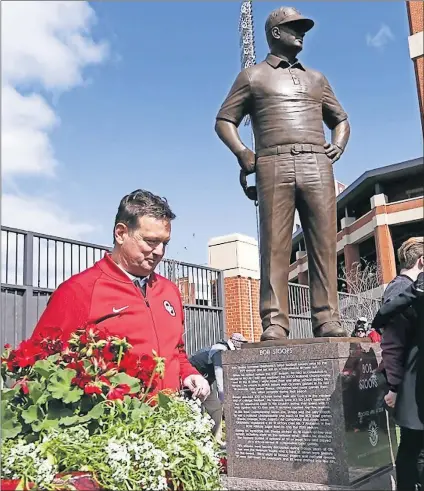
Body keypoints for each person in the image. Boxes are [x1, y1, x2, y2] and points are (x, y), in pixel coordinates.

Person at [215, 6, 350, 341]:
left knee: (323, 243)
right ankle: (274, 320)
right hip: (272, 163)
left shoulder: (316, 78)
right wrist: (243, 152)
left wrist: (338, 145)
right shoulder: (253, 76)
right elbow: (224, 120)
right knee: (274, 245)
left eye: (302, 28)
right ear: (275, 33)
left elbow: (341, 119)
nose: (301, 33)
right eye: (294, 28)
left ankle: (327, 318)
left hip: (317, 162)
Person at [31, 189, 210, 400]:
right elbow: (40, 363)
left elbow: (176, 352)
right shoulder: (78, 291)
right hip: (112, 426)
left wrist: (189, 373)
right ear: (121, 233)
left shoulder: (170, 292)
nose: (160, 251)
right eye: (151, 241)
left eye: (165, 243)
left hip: (169, 424)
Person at [374, 237, 424, 491]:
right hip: (408, 385)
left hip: (412, 384)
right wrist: (394, 387)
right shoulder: (401, 290)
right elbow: (392, 345)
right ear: (421, 262)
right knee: (413, 449)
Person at [189, 333, 248, 444]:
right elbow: (220, 377)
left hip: (206, 382)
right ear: (234, 343)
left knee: (216, 407)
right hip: (193, 382)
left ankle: (215, 439)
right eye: (241, 344)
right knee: (196, 410)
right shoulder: (220, 351)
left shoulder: (230, 353)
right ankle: (196, 440)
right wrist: (224, 400)